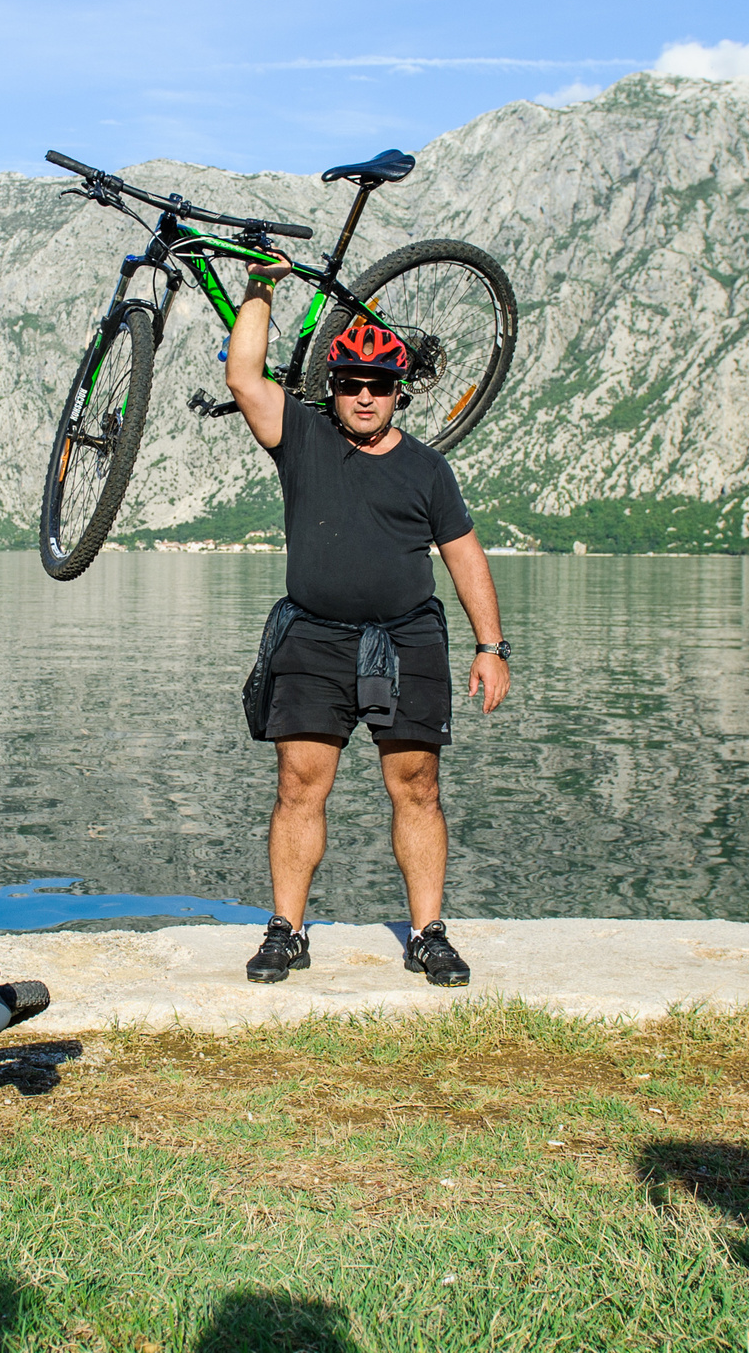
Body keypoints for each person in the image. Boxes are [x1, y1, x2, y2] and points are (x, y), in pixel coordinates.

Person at [225, 253, 511, 987]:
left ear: (396, 394)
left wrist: (491, 644)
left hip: (408, 636)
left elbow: (464, 554)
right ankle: (286, 930)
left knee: (416, 784)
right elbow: (243, 377)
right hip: (313, 637)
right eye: (349, 384)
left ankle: (428, 933)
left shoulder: (427, 470)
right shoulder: (303, 437)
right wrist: (260, 286)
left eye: (376, 385)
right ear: (334, 388)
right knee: (299, 783)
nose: (361, 396)